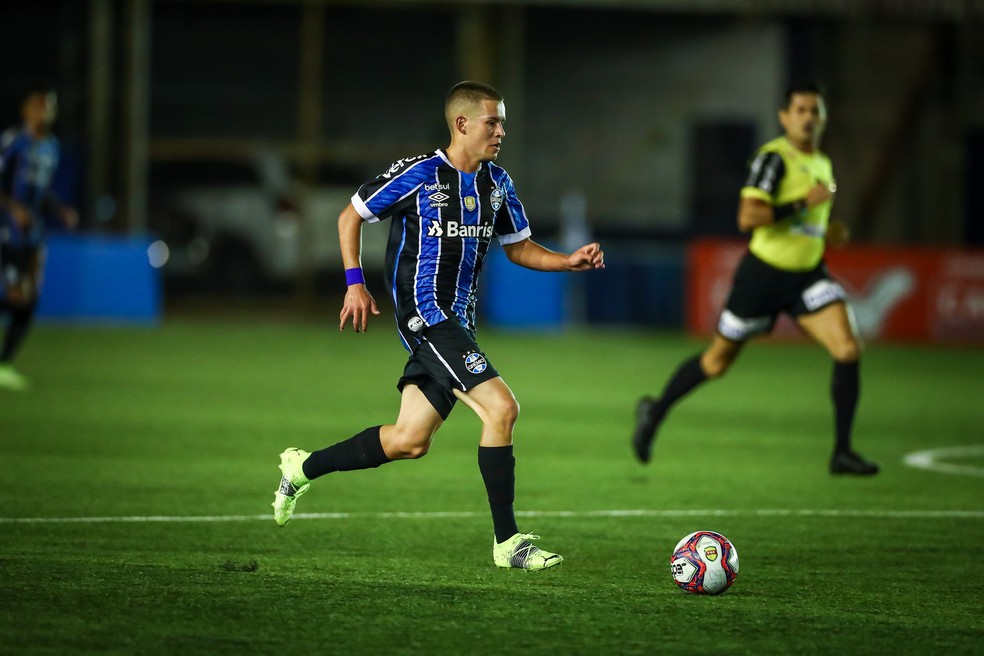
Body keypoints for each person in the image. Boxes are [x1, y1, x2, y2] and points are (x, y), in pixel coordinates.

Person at [272, 81, 605, 570]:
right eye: (493, 121)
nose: (501, 131)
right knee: (501, 409)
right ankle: (508, 543)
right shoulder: (420, 174)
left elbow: (518, 247)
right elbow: (351, 215)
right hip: (426, 317)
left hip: (459, 325)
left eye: (503, 122)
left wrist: (567, 261)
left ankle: (301, 468)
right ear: (462, 124)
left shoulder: (497, 183)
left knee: (410, 440)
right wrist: (354, 283)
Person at [632, 83, 878, 476]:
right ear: (784, 116)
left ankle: (842, 452)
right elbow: (748, 218)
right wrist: (802, 204)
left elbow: (805, 220)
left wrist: (825, 230)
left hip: (808, 275)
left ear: (824, 118)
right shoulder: (773, 160)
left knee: (847, 349)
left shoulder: (823, 164)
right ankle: (655, 412)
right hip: (763, 276)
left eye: (816, 111)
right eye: (800, 110)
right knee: (715, 363)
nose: (808, 118)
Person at [0, 88, 77, 391]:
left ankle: (4, 363)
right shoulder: (12, 141)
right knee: (18, 295)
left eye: (50, 108)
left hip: (33, 230)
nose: (45, 112)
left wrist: (61, 210)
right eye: (39, 106)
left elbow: (42, 190)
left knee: (31, 300)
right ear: (26, 110)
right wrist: (14, 209)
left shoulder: (51, 148)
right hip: (7, 228)